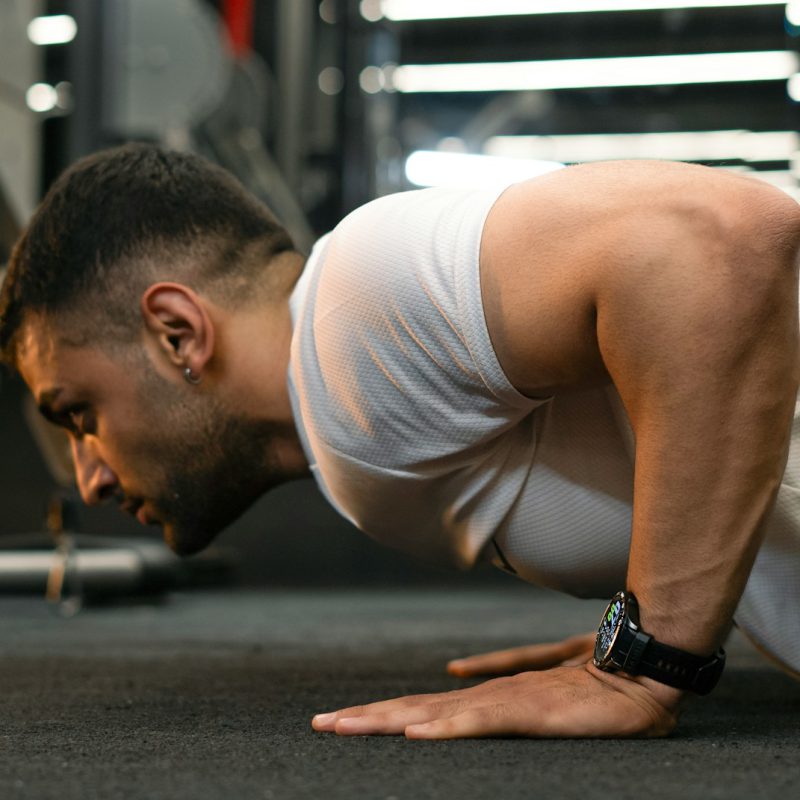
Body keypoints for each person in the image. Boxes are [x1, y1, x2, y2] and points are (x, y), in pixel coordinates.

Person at [1, 143, 799, 740]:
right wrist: (664, 591)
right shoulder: (342, 421)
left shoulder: (354, 305)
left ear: (178, 334)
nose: (90, 477)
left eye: (78, 415)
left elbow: (719, 241)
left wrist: (644, 662)